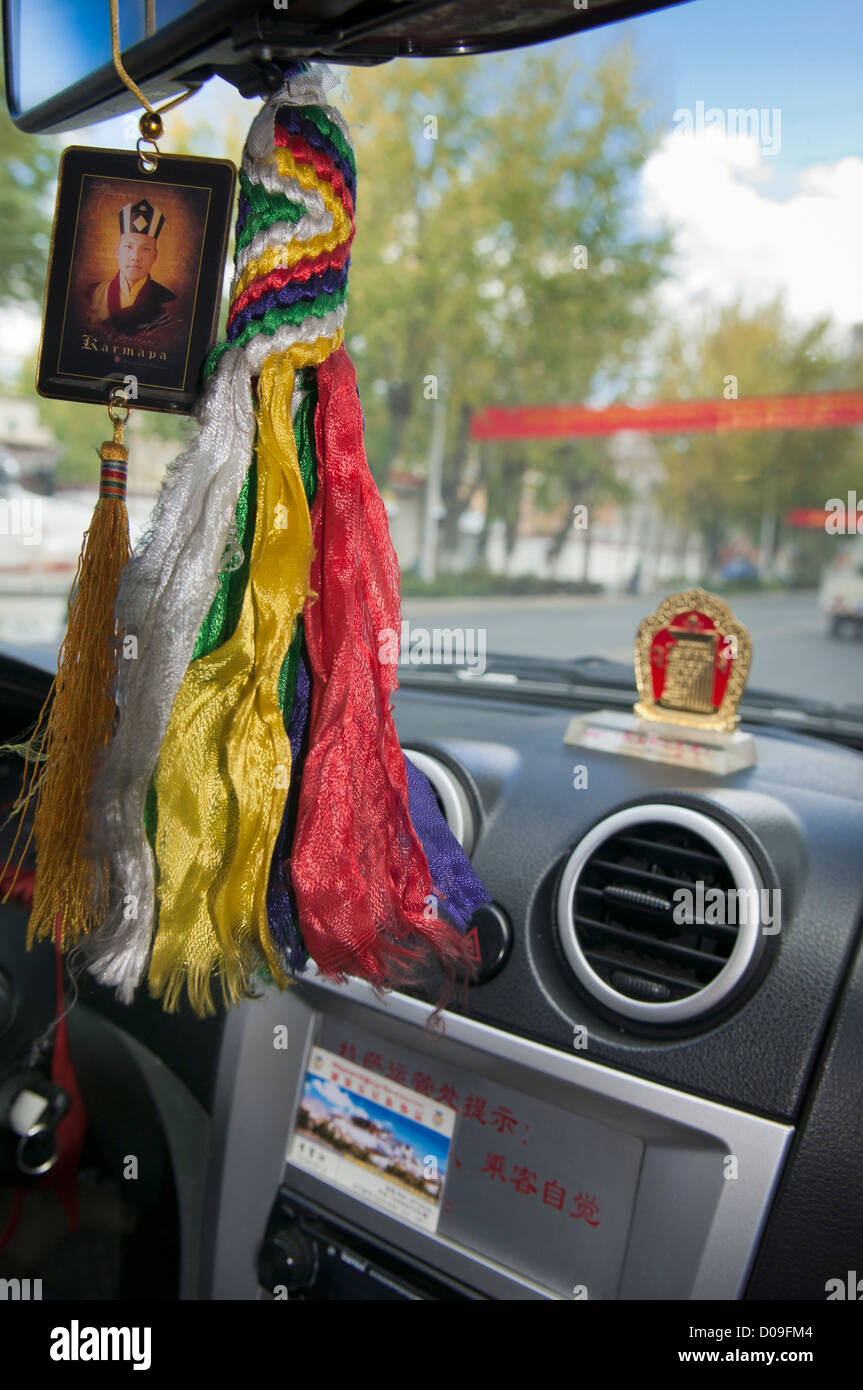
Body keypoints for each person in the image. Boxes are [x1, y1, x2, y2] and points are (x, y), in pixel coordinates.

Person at [86, 199, 176, 333]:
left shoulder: (168, 302)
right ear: (117, 252)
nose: (135, 256)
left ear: (155, 256)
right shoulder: (94, 294)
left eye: (145, 249)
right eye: (128, 246)